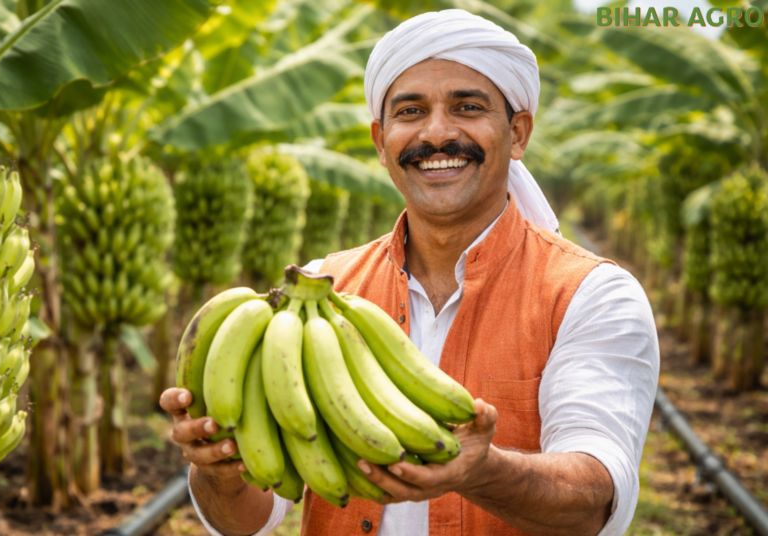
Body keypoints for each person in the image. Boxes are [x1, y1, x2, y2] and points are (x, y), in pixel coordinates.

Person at [159, 9, 659, 536]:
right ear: (381, 141)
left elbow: (597, 499)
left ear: (517, 133)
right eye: (411, 111)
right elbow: (249, 521)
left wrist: (484, 472)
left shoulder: (592, 296)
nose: (437, 133)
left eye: (467, 106)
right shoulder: (315, 293)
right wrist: (217, 471)